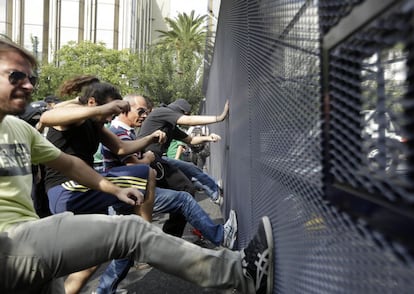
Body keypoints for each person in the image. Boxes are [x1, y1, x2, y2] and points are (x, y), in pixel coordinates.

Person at [0, 37, 274, 294]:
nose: (28, 85)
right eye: (16, 76)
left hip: (32, 232)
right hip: (19, 234)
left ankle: (130, 257)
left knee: (94, 259)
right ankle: (239, 272)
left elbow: (77, 161)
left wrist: (115, 188)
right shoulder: (71, 118)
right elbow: (50, 116)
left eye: (31, 78)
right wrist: (98, 110)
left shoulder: (17, 129)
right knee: (131, 227)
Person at [98, 94, 238, 293]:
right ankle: (221, 235)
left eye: (146, 111)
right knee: (183, 198)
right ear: (124, 110)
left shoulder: (126, 131)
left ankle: (104, 290)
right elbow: (134, 164)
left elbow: (188, 139)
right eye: (141, 111)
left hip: (131, 192)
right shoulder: (120, 132)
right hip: (132, 193)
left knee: (126, 249)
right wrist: (149, 155)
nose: (145, 115)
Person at [138, 98, 225, 205]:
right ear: (180, 112)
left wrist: (208, 138)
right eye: (185, 115)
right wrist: (219, 118)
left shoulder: (170, 126)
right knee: (186, 187)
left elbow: (191, 140)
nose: (184, 119)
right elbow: (189, 121)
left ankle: (214, 190)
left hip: (158, 158)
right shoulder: (162, 112)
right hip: (149, 160)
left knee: (191, 169)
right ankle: (213, 192)